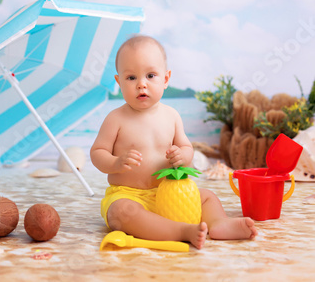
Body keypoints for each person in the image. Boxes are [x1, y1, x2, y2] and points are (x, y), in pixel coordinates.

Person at [90, 35, 257, 249]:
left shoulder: (171, 116)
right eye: (131, 78)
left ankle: (218, 223)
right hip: (128, 195)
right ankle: (181, 231)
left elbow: (187, 148)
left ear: (166, 79)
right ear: (119, 82)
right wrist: (115, 163)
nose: (142, 84)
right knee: (120, 213)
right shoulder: (115, 119)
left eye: (151, 75)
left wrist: (182, 157)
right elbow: (97, 152)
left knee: (206, 197)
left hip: (168, 193)